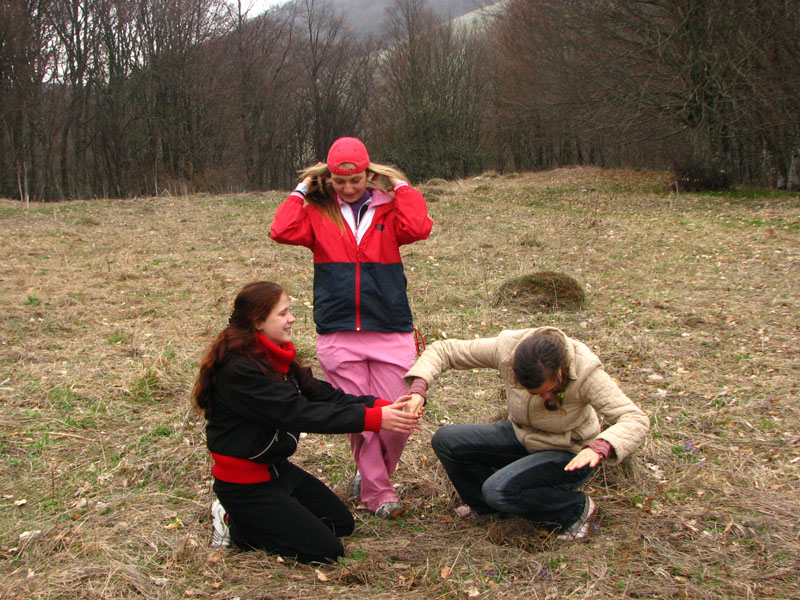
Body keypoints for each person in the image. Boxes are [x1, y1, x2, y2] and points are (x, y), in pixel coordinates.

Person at [191, 281, 420, 563]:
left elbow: (322, 394)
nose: (292, 319)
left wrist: (381, 406)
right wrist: (373, 419)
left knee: (340, 524)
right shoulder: (241, 370)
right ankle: (232, 521)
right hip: (244, 484)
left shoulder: (275, 355)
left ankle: (272, 512)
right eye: (283, 313)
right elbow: (298, 413)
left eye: (290, 311)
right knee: (326, 551)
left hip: (277, 470)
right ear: (258, 322)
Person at [270, 137, 433, 519]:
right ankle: (379, 492)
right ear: (328, 178)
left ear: (367, 174)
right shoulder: (318, 212)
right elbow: (281, 230)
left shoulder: (389, 208)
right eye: (339, 181)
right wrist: (302, 189)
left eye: (355, 180)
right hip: (338, 331)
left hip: (390, 327)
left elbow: (419, 226)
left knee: (399, 417)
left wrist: (399, 186)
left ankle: (372, 473)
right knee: (361, 418)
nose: (347, 188)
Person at [404, 327, 649, 539]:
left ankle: (575, 510)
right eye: (535, 393)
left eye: (551, 390)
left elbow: (634, 418)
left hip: (568, 452)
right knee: (447, 441)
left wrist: (600, 446)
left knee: (497, 489)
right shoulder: (507, 350)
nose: (545, 398)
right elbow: (444, 350)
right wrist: (418, 389)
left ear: (561, 371)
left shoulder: (585, 370)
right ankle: (490, 510)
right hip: (521, 435)